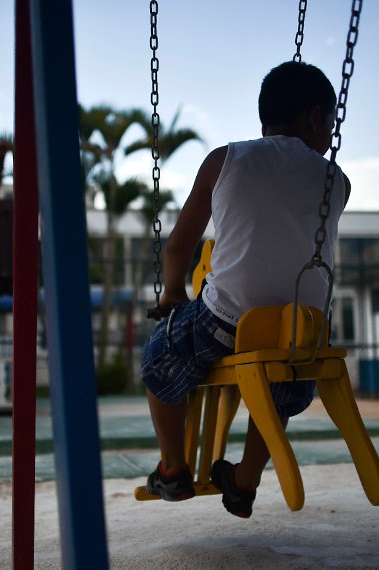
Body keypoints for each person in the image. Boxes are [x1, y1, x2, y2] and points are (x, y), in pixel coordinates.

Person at [140, 61, 351, 518]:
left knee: (159, 354)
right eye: (330, 123)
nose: (330, 133)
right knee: (280, 383)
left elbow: (178, 246)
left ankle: (173, 468)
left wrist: (173, 293)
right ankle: (243, 481)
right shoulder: (340, 181)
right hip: (302, 332)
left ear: (264, 118)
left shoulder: (225, 159)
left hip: (226, 321)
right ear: (315, 116)